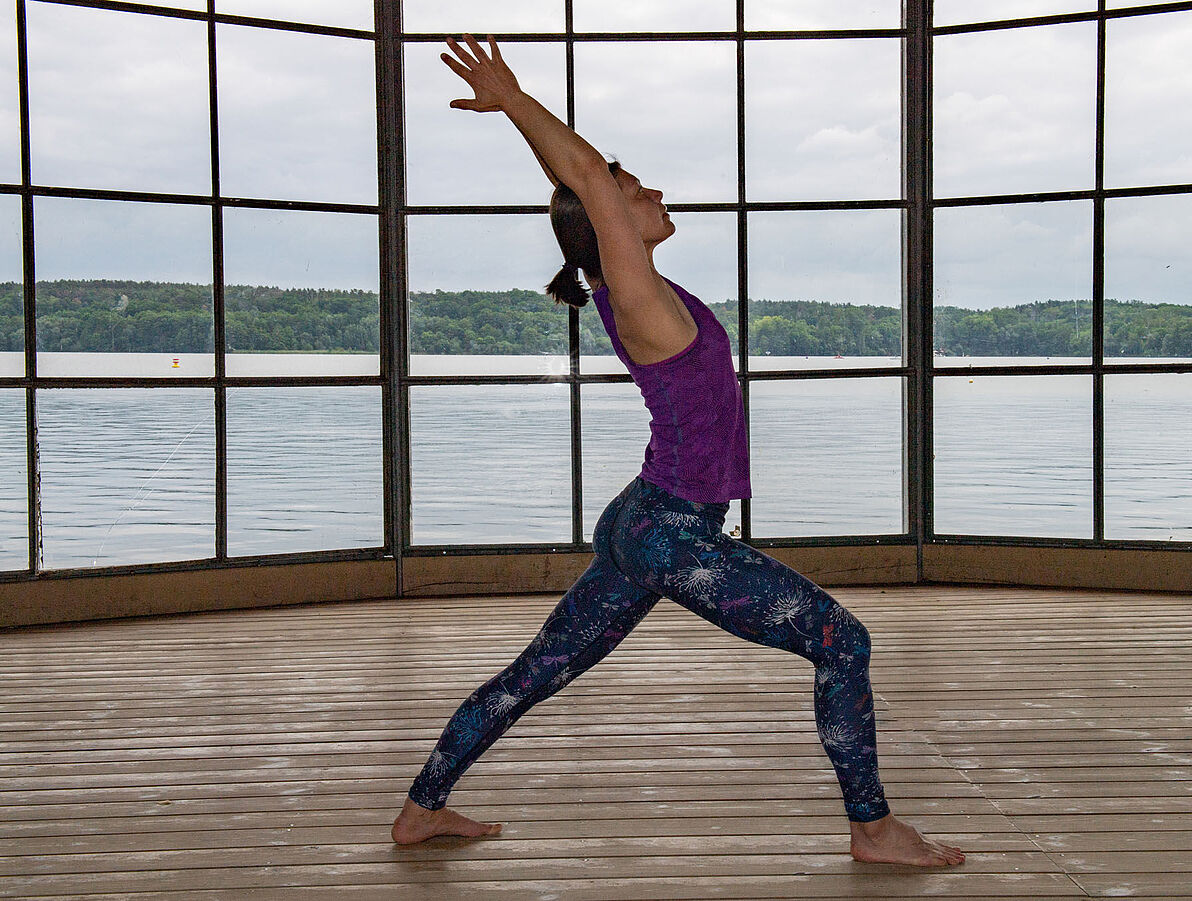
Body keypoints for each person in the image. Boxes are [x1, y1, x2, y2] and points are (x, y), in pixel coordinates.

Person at [392, 33, 966, 868]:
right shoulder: (631, 289)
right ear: (608, 223)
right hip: (671, 532)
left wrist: (583, 188)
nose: (652, 190)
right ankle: (873, 828)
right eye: (632, 187)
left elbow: (587, 200)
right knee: (843, 642)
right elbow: (584, 181)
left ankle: (421, 810)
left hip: (644, 519)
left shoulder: (634, 290)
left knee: (536, 671)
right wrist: (516, 104)